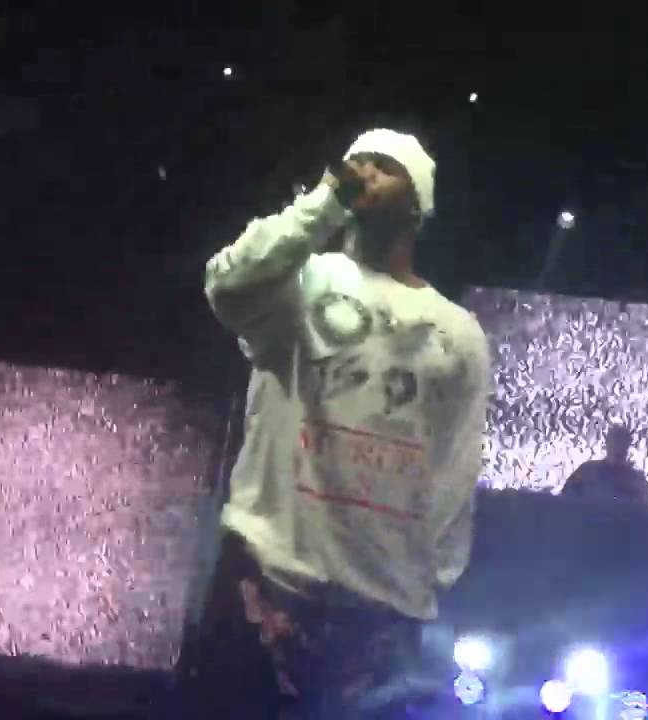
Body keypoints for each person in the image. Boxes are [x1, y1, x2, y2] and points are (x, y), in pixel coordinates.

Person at [187, 128, 490, 719]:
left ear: (417, 201)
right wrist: (323, 201)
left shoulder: (457, 332)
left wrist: (438, 574)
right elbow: (227, 283)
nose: (365, 173)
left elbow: (456, 459)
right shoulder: (303, 280)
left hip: (377, 603)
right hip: (271, 573)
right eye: (358, 163)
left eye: (384, 166)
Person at [560, 425, 648, 508]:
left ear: (628, 446)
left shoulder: (636, 480)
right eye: (615, 442)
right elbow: (565, 498)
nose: (618, 447)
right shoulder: (587, 471)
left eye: (621, 443)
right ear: (607, 444)